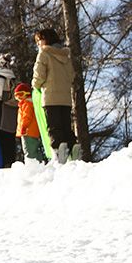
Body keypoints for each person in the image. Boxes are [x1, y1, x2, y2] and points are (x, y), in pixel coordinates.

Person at [31, 28, 78, 163]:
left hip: (50, 97)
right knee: (66, 127)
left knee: (54, 127)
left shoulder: (44, 54)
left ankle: (59, 154)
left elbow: (39, 75)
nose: (38, 44)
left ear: (45, 39)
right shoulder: (65, 55)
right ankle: (74, 149)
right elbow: (71, 76)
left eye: (39, 40)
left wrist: (35, 86)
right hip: (65, 99)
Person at [14, 83, 44, 162]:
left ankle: (32, 164)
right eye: (16, 96)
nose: (18, 97)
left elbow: (27, 117)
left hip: (27, 131)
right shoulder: (27, 103)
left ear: (27, 93)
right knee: (34, 149)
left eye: (21, 94)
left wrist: (23, 127)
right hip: (31, 131)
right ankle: (39, 162)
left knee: (29, 151)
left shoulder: (27, 103)